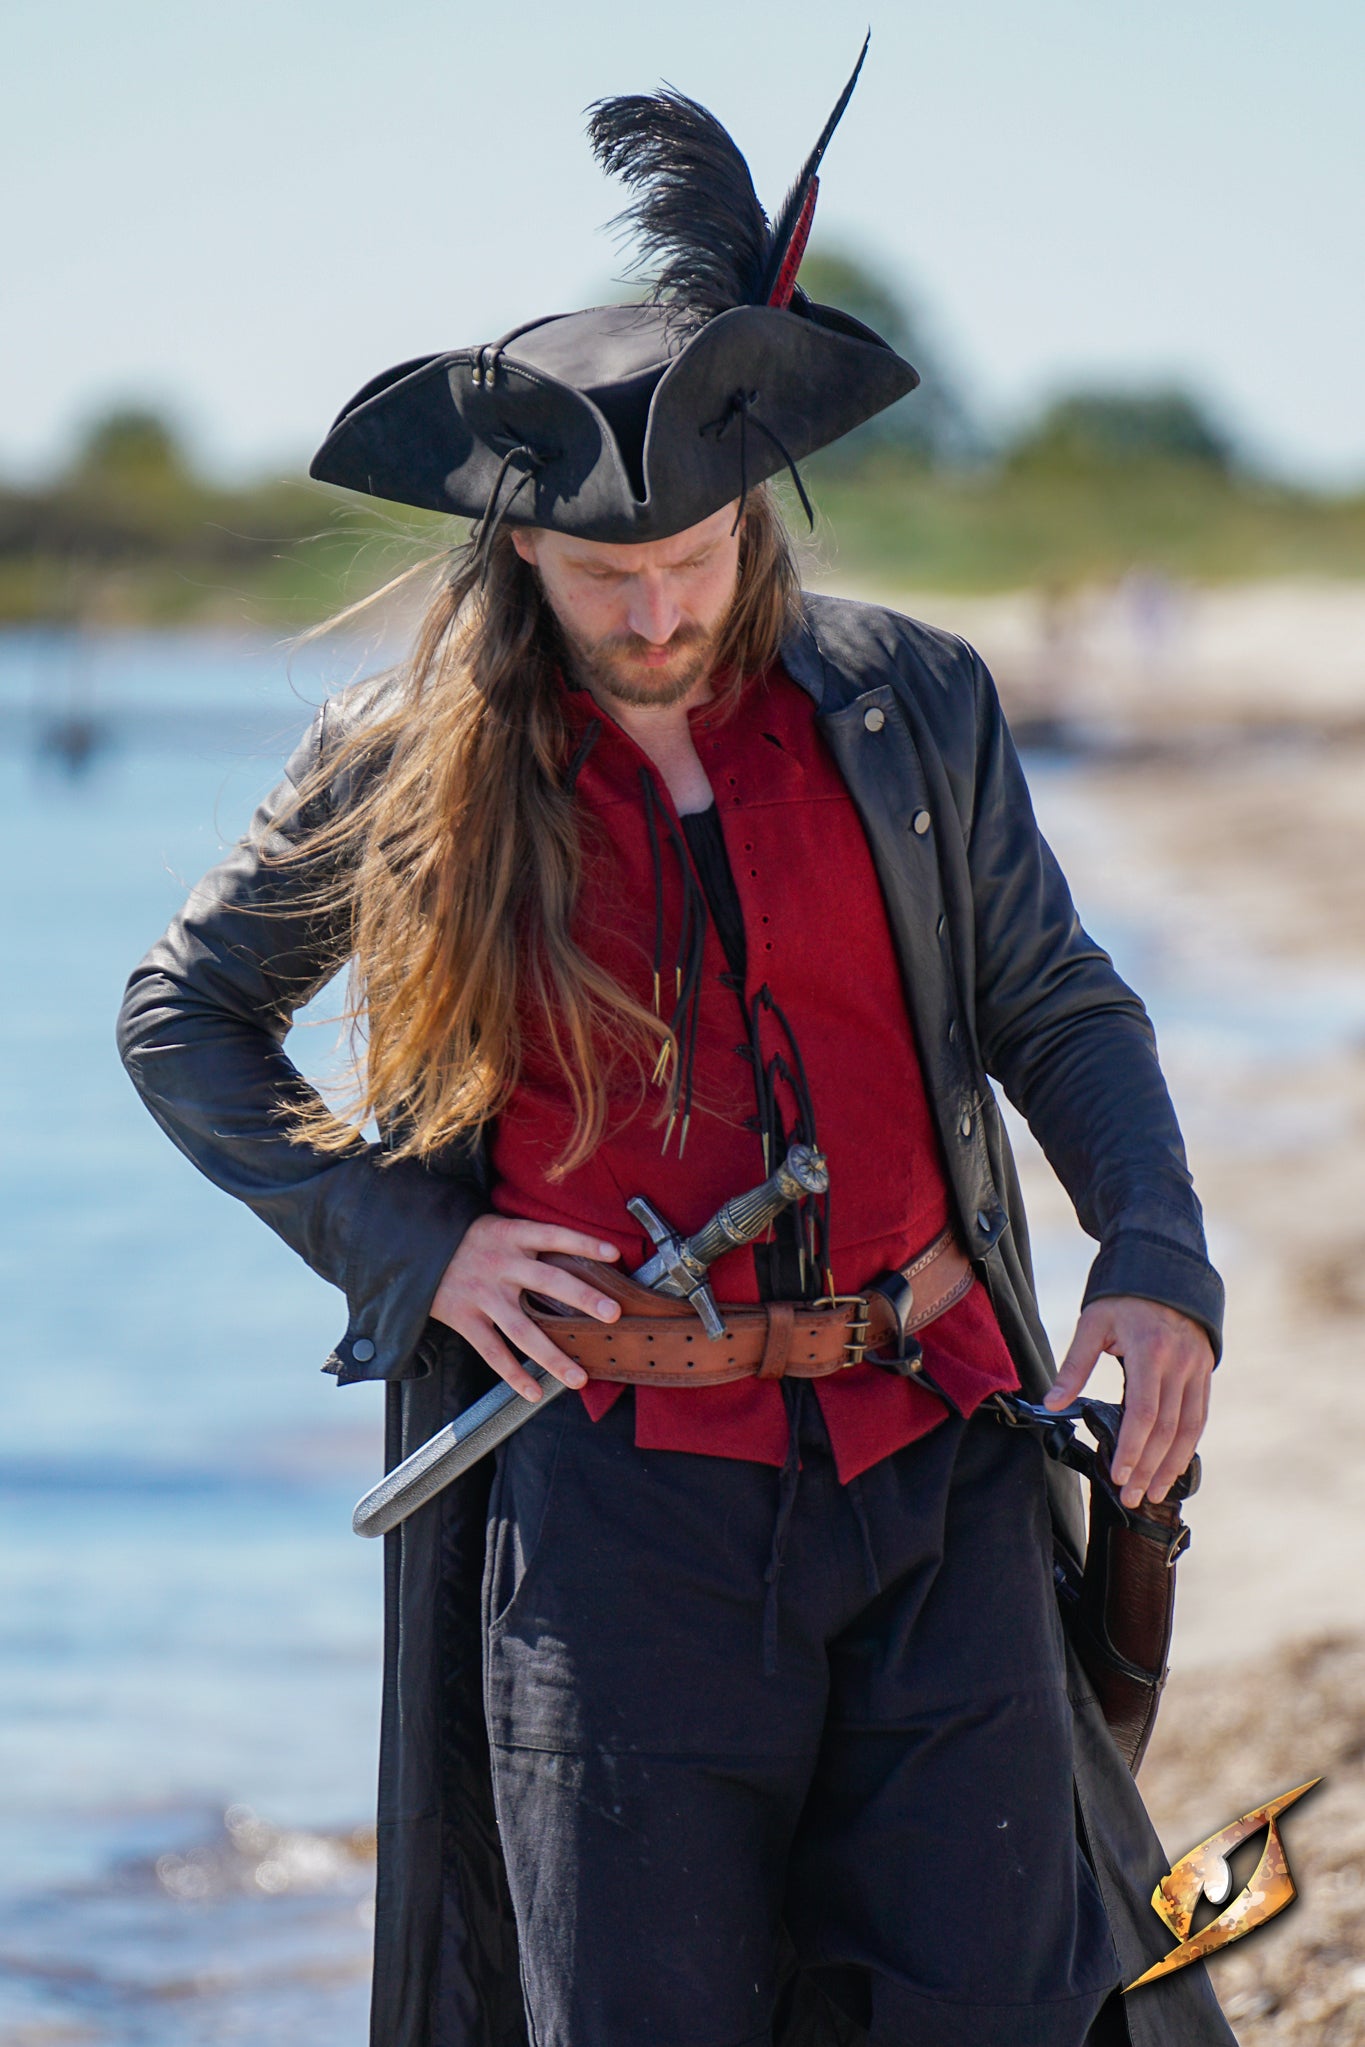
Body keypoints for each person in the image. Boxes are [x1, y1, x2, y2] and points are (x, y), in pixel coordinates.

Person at [118, 48, 1234, 2047]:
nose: (654, 614)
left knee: (1007, 2007)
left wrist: (1153, 1256)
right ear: (514, 551)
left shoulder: (910, 707)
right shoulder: (407, 763)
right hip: (611, 1523)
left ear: (757, 517)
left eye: (694, 564)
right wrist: (408, 1242)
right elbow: (180, 1016)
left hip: (934, 1456)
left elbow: (1057, 1003)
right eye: (603, 578)